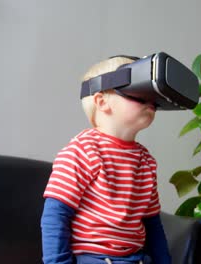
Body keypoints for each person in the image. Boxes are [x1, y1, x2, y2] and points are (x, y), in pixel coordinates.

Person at [40, 55, 172, 264]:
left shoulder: (146, 161)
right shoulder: (82, 150)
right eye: (139, 93)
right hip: (94, 259)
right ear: (102, 102)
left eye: (152, 96)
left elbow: (153, 224)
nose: (151, 101)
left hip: (136, 259)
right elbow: (55, 216)